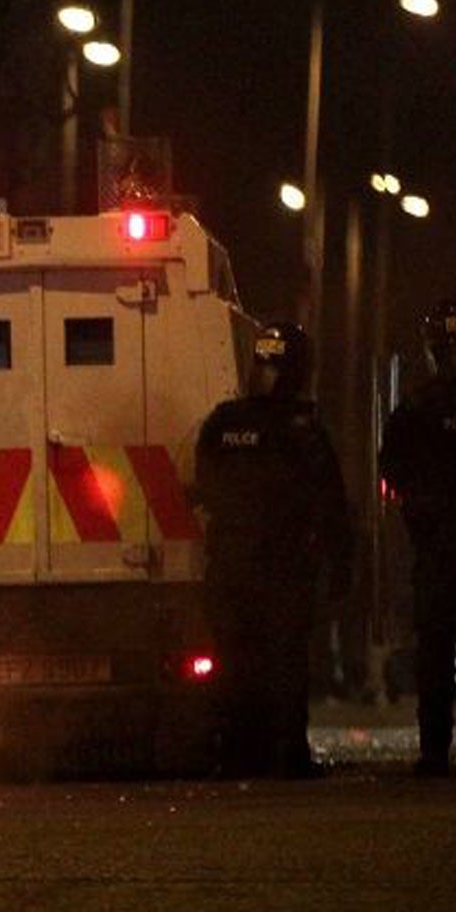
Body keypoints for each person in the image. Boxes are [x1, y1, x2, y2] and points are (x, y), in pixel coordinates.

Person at [189, 322, 351, 778]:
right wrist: (342, 566)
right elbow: (330, 504)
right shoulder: (302, 431)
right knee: (285, 663)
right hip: (282, 568)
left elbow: (204, 489)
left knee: (235, 663)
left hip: (229, 568)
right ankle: (287, 755)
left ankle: (237, 753)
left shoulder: (222, 423)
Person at [378, 294, 456, 776]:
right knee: (434, 653)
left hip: (440, 551)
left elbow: (391, 470)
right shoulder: (417, 410)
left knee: (435, 653)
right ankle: (434, 752)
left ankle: (435, 754)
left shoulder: (417, 410)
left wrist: (419, 508)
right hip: (449, 546)